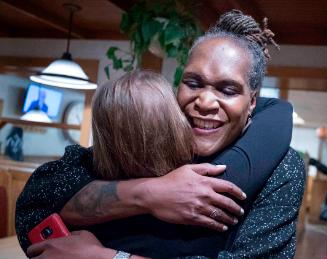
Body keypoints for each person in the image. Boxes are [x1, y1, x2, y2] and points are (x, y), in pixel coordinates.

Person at [16, 10, 306, 258]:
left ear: (252, 102)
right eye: (193, 83)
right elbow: (39, 198)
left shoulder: (279, 167)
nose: (205, 102)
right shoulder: (157, 134)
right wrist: (150, 194)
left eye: (227, 90)